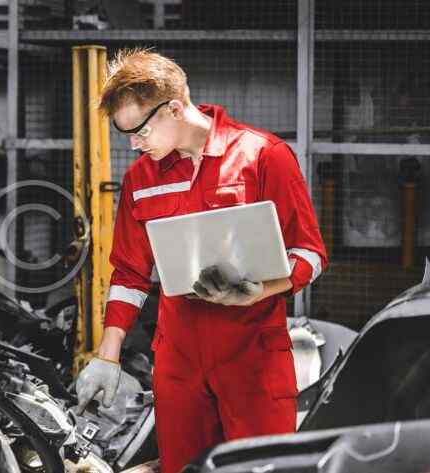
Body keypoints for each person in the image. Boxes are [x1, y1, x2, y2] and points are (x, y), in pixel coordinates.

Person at [74, 49, 328, 472]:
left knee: (260, 467)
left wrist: (262, 290)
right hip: (179, 361)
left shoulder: (263, 156)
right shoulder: (141, 178)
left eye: (139, 131)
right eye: (125, 134)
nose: (135, 144)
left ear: (174, 108)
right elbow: (130, 273)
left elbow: (311, 254)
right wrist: (108, 354)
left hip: (253, 356)